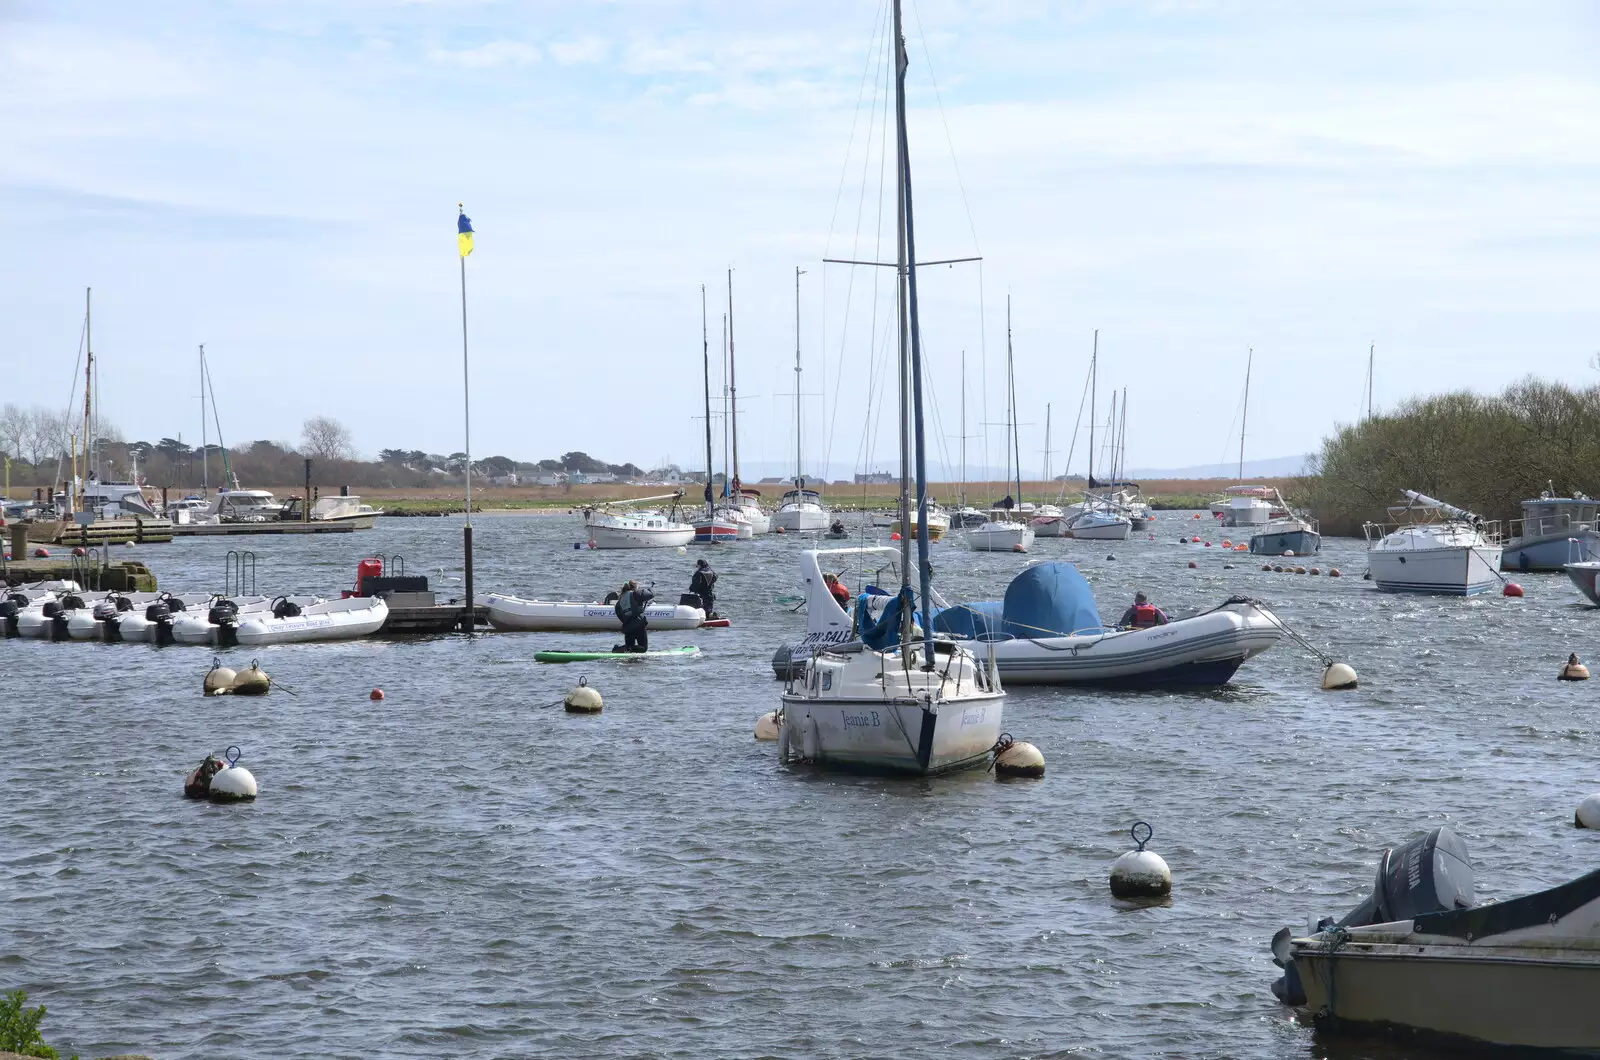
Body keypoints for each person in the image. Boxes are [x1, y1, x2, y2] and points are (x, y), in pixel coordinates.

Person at [613, 579, 656, 653]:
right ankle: (621, 649)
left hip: (627, 627)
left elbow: (620, 616)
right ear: (634, 587)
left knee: (630, 646)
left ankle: (620, 649)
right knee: (643, 648)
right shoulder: (635, 594)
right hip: (639, 625)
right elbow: (651, 594)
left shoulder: (619, 602)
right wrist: (651, 589)